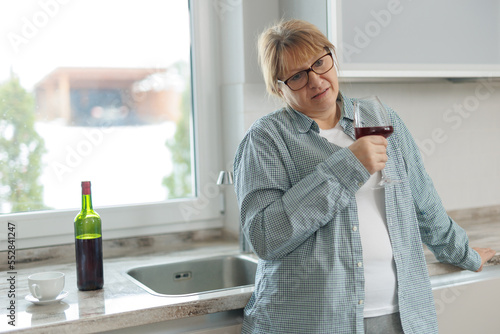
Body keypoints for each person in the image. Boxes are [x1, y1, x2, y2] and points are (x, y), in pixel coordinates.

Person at [233, 19, 496, 334]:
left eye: (320, 62)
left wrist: (465, 253)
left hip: (402, 318)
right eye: (298, 76)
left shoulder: (380, 118)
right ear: (279, 87)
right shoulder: (266, 139)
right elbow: (264, 236)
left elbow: (423, 204)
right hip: (312, 324)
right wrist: (349, 167)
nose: (316, 81)